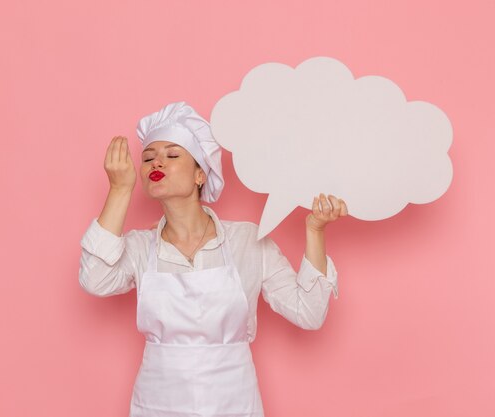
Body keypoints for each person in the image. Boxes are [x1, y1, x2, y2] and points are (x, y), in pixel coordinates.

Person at [78, 101, 347, 417]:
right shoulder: (139, 247)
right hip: (158, 404)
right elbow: (94, 280)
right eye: (148, 157)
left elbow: (309, 314)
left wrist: (314, 230)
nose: (156, 162)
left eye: (172, 154)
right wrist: (120, 190)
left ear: (200, 175)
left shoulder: (248, 241)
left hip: (233, 403)